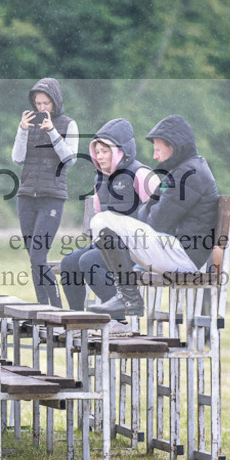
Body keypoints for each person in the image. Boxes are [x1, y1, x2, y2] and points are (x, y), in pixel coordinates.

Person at [89, 115, 220, 317]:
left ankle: (129, 299)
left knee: (101, 221)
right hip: (177, 249)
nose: (155, 156)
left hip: (183, 256)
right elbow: (148, 210)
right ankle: (127, 298)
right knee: (105, 225)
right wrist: (152, 206)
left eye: (158, 149)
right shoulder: (183, 171)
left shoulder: (190, 174)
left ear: (173, 147)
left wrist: (151, 206)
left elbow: (157, 222)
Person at [60, 118, 155, 318]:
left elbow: (159, 211)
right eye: (97, 152)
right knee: (69, 262)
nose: (100, 156)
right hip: (107, 246)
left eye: (105, 151)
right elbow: (98, 216)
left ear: (120, 151)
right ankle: (77, 320)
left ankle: (120, 320)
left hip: (135, 248)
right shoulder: (99, 179)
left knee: (89, 261)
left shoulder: (141, 173)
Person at [12, 78, 79, 306]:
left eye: (46, 103)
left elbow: (70, 159)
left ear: (55, 102)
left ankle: (57, 307)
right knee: (33, 258)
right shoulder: (28, 124)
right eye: (38, 103)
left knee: (38, 256)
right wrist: (22, 131)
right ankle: (43, 307)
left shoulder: (68, 124)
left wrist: (52, 132)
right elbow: (17, 158)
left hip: (52, 198)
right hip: (26, 196)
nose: (41, 108)